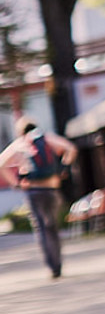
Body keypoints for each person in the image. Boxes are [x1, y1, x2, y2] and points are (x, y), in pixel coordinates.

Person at [0, 117, 78, 279]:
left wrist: (16, 183)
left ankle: (52, 266)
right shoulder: (48, 139)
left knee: (41, 228)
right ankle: (58, 263)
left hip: (33, 190)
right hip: (51, 188)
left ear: (21, 132)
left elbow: (1, 163)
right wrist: (63, 167)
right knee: (52, 226)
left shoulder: (20, 144)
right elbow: (71, 148)